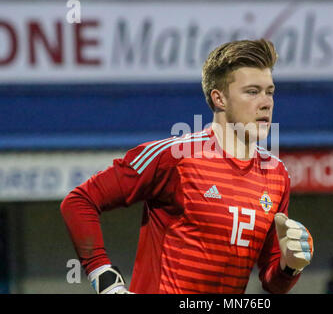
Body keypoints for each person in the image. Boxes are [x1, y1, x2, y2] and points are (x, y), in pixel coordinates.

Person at [60, 39, 314, 294]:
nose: (266, 102)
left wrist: (290, 265)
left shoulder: (276, 174)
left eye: (269, 92)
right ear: (219, 99)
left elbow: (271, 282)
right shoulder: (176, 157)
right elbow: (80, 201)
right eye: (252, 91)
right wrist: (104, 277)